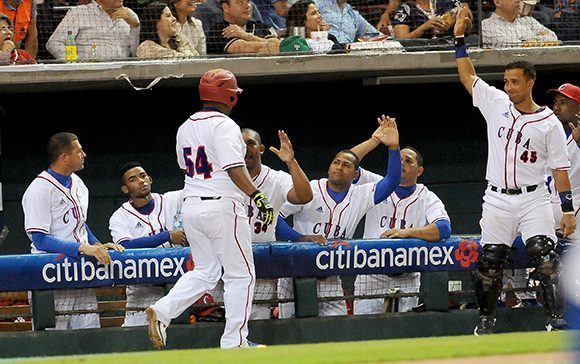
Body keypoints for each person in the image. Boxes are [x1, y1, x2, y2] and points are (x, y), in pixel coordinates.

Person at [453, 7, 575, 334]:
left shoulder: (548, 122)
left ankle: (554, 320)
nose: (509, 87)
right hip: (496, 198)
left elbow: (560, 171)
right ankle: (486, 321)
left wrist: (567, 211)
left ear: (530, 83)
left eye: (515, 82)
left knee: (545, 258)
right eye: (506, 81)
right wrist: (459, 39)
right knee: (489, 262)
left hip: (534, 198)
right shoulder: (495, 103)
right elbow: (467, 76)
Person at [146, 69, 274, 349]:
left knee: (206, 271)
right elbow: (233, 168)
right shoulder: (225, 126)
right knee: (241, 275)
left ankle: (164, 310)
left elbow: (187, 167)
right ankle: (235, 342)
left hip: (191, 206)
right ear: (228, 96)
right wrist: (258, 196)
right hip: (222, 206)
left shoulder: (185, 126)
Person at [276, 116, 402, 318]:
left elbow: (393, 181)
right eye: (336, 162)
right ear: (329, 167)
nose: (339, 167)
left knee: (336, 328)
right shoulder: (310, 189)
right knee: (290, 330)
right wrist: (299, 238)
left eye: (346, 165)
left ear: (355, 175)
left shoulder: (361, 195)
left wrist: (393, 148)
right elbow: (275, 218)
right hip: (294, 272)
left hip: (330, 277)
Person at [21, 132, 124, 330]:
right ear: (64, 157)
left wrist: (96, 244)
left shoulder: (78, 183)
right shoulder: (39, 189)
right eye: (79, 151)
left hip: (79, 273)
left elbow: (79, 223)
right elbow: (40, 240)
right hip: (50, 273)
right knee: (52, 344)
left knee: (89, 339)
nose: (84, 154)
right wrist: (83, 248)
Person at [348, 138, 451, 314]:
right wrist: (375, 140)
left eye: (408, 161)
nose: (402, 163)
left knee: (403, 333)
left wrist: (407, 232)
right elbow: (349, 162)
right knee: (365, 332)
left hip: (407, 277)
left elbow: (443, 229)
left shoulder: (427, 197)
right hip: (371, 275)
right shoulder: (377, 185)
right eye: (399, 159)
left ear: (419, 171)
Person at [241, 128, 313, 320]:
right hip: (226, 260)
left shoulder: (276, 178)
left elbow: (304, 196)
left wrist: (291, 162)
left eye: (250, 143)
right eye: (240, 143)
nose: (245, 148)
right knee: (217, 317)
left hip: (261, 261)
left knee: (257, 319)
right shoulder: (223, 178)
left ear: (261, 149)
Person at [109, 162, 188, 327]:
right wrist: (166, 236)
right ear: (125, 189)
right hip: (142, 288)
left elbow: (198, 190)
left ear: (150, 179)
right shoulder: (120, 216)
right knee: (134, 336)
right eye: (133, 179)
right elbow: (126, 246)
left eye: (143, 176)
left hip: (178, 285)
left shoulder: (171, 200)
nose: (140, 181)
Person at [46, 0, 140, 61]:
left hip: (122, 73)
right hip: (88, 74)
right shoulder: (79, 13)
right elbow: (54, 43)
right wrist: (75, 62)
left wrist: (135, 27)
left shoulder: (131, 15)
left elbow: (134, 53)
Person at [547, 83, 580, 244]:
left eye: (563, 102)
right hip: (553, 205)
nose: (556, 108)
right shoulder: (554, 133)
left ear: (578, 109)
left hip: (575, 208)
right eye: (555, 102)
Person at [206, 0, 280, 54]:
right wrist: (269, 44)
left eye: (248, 1)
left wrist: (246, 36)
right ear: (225, 7)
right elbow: (243, 48)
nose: (247, 6)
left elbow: (280, 46)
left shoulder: (262, 27)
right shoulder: (218, 31)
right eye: (240, 2)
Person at [481, 0, 558, 47]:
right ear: (497, 2)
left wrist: (529, 42)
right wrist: (537, 40)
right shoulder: (487, 25)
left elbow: (553, 37)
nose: (518, 0)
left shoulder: (528, 20)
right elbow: (510, 46)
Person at [392, 0, 472, 39]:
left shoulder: (449, 3)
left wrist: (460, 18)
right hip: (421, 55)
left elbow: (468, 29)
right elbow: (401, 39)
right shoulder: (405, 9)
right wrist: (424, 27)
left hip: (451, 49)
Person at [313, 0, 379, 43]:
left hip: (348, 54)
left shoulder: (352, 12)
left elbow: (375, 34)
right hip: (326, 52)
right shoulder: (319, 4)